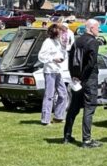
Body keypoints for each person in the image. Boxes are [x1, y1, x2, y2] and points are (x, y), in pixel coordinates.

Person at [63, 18, 102, 148]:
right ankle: (86, 140)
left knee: (73, 108)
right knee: (89, 108)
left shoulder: (77, 40)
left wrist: (74, 76)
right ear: (91, 28)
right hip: (89, 79)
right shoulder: (93, 42)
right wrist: (83, 77)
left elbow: (70, 60)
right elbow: (91, 64)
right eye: (97, 28)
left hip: (77, 79)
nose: (99, 30)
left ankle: (67, 135)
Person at [38, 24, 68, 126]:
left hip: (58, 71)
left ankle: (58, 116)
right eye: (60, 31)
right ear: (55, 32)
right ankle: (45, 120)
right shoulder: (47, 42)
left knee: (63, 94)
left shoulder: (58, 42)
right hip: (49, 71)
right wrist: (52, 59)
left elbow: (62, 53)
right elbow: (41, 56)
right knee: (49, 95)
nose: (61, 33)